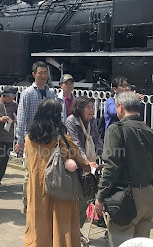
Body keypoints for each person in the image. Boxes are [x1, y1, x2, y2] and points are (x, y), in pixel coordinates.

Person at [94, 91, 153, 246]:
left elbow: (111, 167)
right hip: (149, 198)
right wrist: (150, 189)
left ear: (120, 107)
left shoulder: (116, 129)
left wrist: (100, 195)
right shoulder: (151, 132)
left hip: (125, 199)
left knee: (121, 242)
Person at [25, 98, 92, 247]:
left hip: (37, 190)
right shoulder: (62, 139)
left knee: (39, 224)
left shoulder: (29, 139)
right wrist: (91, 166)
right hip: (61, 189)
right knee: (61, 225)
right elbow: (81, 161)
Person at [15, 61, 57, 213]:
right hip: (32, 139)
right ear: (34, 75)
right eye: (40, 73)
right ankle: (27, 202)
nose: (43, 76)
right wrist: (20, 141)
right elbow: (21, 117)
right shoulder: (27, 93)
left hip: (48, 139)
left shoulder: (51, 93)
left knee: (46, 171)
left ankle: (43, 201)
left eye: (45, 73)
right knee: (30, 173)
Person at [65, 96, 103, 233]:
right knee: (77, 197)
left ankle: (77, 228)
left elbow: (97, 140)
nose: (92, 110)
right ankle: (71, 228)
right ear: (80, 109)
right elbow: (75, 145)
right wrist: (86, 162)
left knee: (86, 196)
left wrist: (105, 156)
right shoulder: (71, 121)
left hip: (89, 165)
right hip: (75, 164)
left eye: (93, 107)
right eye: (89, 107)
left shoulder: (92, 121)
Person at [0, 86, 18, 197]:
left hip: (8, 136)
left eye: (12, 98)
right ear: (3, 96)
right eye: (9, 98)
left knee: (4, 159)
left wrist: (14, 120)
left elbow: (17, 115)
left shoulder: (14, 104)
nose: (11, 100)